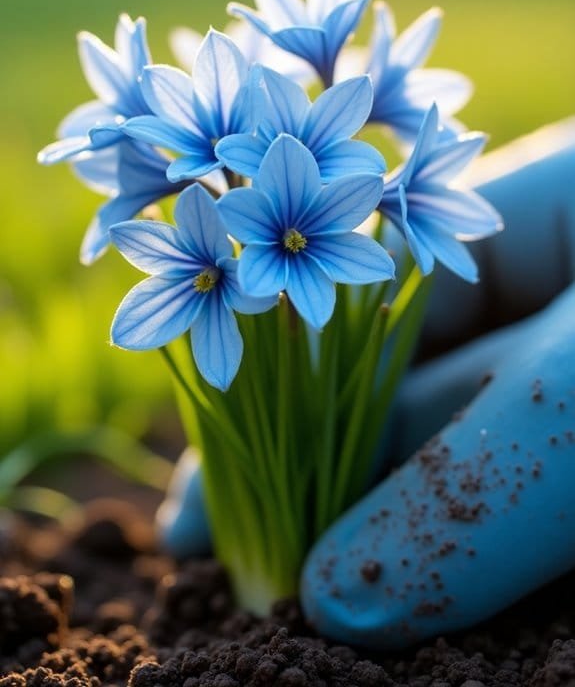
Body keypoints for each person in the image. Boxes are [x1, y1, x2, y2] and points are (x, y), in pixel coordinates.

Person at [157, 118, 575, 649]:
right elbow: (255, 244)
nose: (293, 237)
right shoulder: (249, 255)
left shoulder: (292, 237)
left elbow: (291, 209)